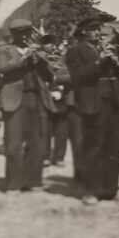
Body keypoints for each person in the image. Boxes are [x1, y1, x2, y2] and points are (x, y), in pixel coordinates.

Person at [65, 15, 119, 205]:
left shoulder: (104, 50)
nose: (98, 33)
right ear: (83, 31)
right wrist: (100, 62)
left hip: (114, 102)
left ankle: (109, 190)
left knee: (114, 147)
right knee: (94, 147)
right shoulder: (75, 51)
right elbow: (78, 77)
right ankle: (91, 190)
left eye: (99, 29)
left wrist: (118, 65)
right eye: (94, 29)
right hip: (93, 103)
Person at [0, 19, 54, 193]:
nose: (27, 37)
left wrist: (41, 59)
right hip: (14, 100)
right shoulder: (3, 50)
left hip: (36, 98)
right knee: (13, 144)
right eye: (22, 33)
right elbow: (2, 68)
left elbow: (49, 76)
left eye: (28, 33)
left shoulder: (37, 52)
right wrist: (25, 57)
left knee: (37, 143)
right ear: (14, 35)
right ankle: (14, 183)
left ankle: (33, 181)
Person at [43, 34, 71, 167]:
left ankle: (59, 157)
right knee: (46, 131)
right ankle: (46, 156)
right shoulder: (44, 68)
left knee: (62, 132)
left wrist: (59, 83)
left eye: (57, 58)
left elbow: (71, 79)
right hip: (46, 102)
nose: (54, 62)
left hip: (62, 103)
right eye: (51, 59)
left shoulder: (66, 69)